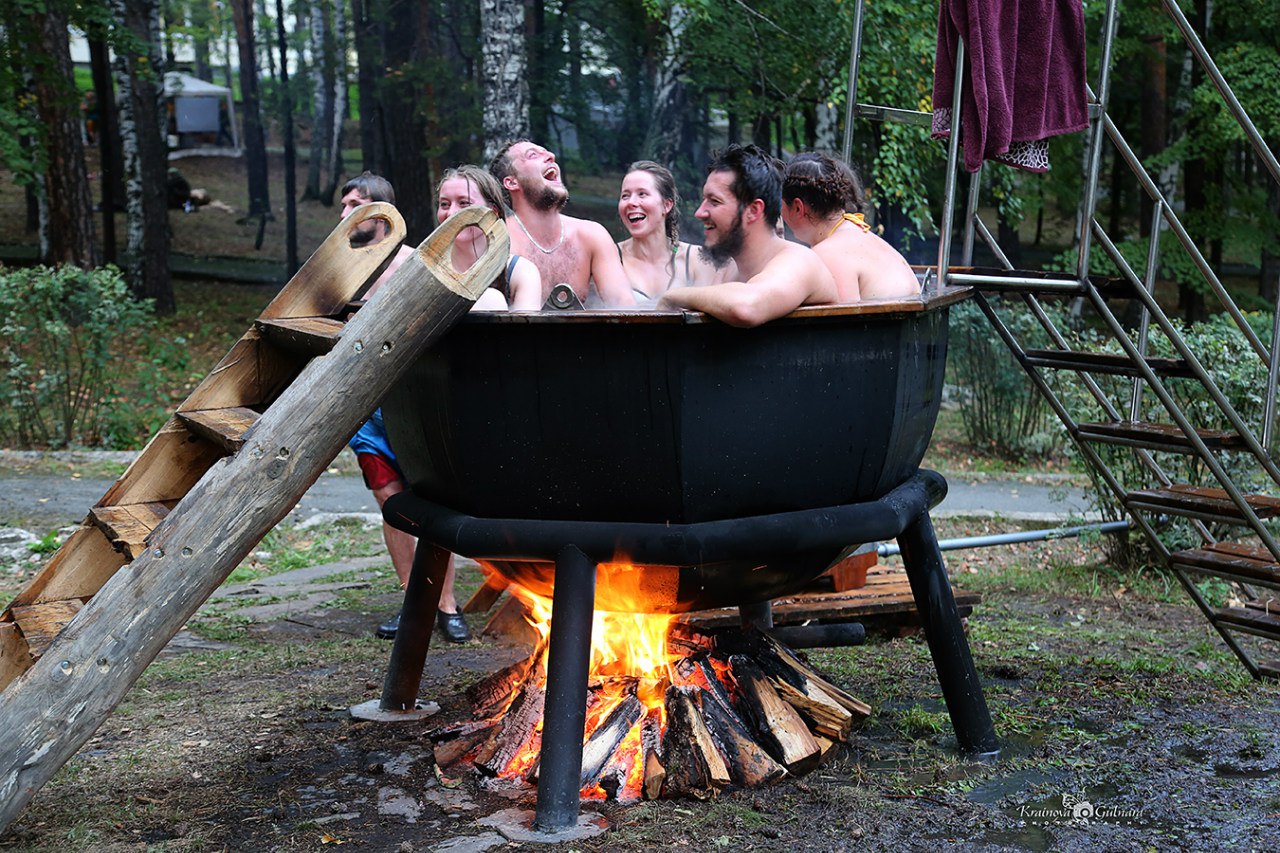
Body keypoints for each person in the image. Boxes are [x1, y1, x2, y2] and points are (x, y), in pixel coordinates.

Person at [337, 171, 474, 642]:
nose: (345, 214)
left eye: (355, 204)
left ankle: (448, 603)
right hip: (367, 406)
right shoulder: (342, 268)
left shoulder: (418, 263)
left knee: (431, 504)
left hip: (414, 404)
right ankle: (414, 602)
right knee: (390, 504)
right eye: (342, 205)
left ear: (382, 211)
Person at [656, 144, 836, 327]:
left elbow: (746, 308)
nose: (699, 212)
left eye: (714, 201)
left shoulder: (800, 261)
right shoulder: (731, 270)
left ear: (753, 210)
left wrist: (671, 297)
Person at [488, 140, 636, 307]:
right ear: (512, 182)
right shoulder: (498, 241)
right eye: (533, 155)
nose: (551, 156)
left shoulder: (592, 236)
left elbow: (624, 308)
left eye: (547, 153)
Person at [782, 152, 920, 302]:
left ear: (797, 208)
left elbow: (840, 322)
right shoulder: (859, 232)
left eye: (780, 203)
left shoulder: (827, 254)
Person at [616, 160, 729, 300]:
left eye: (642, 194)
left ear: (666, 205)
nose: (631, 202)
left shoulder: (697, 259)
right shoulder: (610, 258)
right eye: (625, 195)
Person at [436, 164, 543, 310]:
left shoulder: (521, 271)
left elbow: (526, 332)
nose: (451, 213)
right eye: (444, 204)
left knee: (491, 300)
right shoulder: (427, 268)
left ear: (492, 212)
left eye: (464, 203)